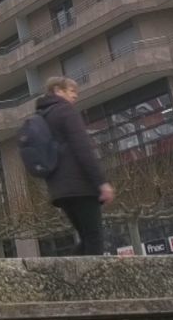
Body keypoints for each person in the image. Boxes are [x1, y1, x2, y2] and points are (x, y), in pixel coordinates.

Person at [36, 76, 115, 255]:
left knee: (86, 238)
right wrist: (101, 182)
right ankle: (86, 281)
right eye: (71, 91)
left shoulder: (42, 117)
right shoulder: (65, 111)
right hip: (80, 186)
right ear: (57, 90)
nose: (75, 96)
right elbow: (83, 148)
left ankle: (66, 279)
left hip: (60, 191)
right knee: (94, 238)